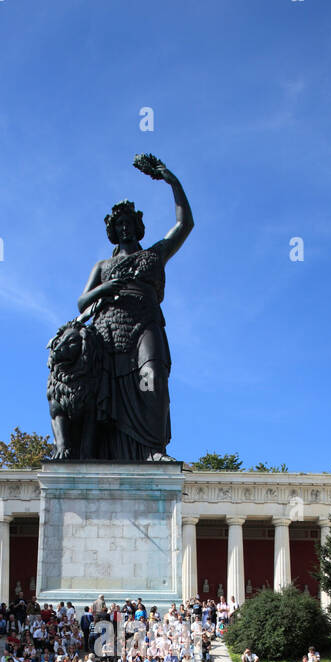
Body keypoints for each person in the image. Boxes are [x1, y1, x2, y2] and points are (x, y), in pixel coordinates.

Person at [74, 160, 194, 464]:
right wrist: (105, 287)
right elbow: (81, 303)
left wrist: (171, 180)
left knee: (151, 376)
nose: (124, 227)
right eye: (119, 225)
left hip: (146, 323)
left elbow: (184, 224)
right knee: (109, 391)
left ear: (138, 226)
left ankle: (154, 450)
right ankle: (103, 453)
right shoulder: (102, 266)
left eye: (129, 222)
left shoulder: (155, 254)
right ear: (113, 231)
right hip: (109, 330)